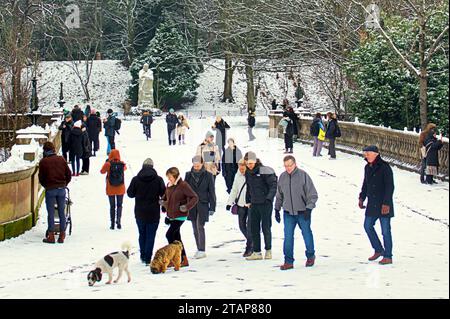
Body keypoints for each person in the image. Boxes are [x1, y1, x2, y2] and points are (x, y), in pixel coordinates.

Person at [275, 156, 318, 269]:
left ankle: (310, 255)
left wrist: (309, 208)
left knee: (306, 234)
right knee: (288, 237)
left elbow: (312, 194)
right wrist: (277, 209)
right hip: (288, 213)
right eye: (286, 166)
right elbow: (279, 195)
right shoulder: (282, 177)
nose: (288, 168)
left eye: (290, 165)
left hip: (303, 212)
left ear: (295, 164)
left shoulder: (303, 176)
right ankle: (288, 261)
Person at [358, 145, 395, 265]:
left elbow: (390, 187)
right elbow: (365, 184)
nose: (366, 155)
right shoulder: (367, 167)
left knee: (385, 231)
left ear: (376, 154)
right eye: (365, 153)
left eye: (368, 153)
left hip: (384, 204)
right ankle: (378, 249)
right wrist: (362, 197)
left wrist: (386, 203)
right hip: (372, 203)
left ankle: (388, 256)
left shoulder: (385, 167)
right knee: (367, 226)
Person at [127, 158, 166, 265]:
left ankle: (143, 255)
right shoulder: (158, 179)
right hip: (153, 212)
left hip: (140, 212)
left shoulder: (136, 179)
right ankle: (148, 257)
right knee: (151, 235)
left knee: (142, 234)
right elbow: (164, 194)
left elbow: (130, 194)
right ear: (152, 167)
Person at [160, 167, 199, 267]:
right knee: (177, 237)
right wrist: (163, 203)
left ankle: (175, 258)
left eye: (170, 177)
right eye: (168, 177)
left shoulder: (183, 185)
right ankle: (183, 259)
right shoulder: (169, 185)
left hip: (180, 215)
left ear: (175, 176)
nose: (169, 179)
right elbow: (167, 197)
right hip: (171, 215)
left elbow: (195, 197)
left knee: (169, 235)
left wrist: (186, 206)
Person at [244, 152, 278, 261]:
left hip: (265, 203)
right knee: (254, 228)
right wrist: (248, 200)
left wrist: (269, 199)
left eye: (251, 163)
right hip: (254, 203)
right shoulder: (248, 172)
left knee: (266, 227)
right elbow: (249, 187)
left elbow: (273, 185)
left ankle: (268, 250)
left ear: (256, 160)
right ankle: (257, 252)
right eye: (247, 163)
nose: (249, 165)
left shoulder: (265, 170)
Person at [38, 142, 72, 244]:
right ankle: (62, 235)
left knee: (51, 213)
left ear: (45, 150)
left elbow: (41, 178)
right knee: (62, 212)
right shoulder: (61, 159)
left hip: (50, 190)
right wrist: (64, 183)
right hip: (61, 189)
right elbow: (68, 174)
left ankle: (51, 236)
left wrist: (47, 186)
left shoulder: (43, 162)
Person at [185, 156, 216, 259]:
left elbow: (212, 192)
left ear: (202, 164)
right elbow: (184, 191)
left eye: (198, 165)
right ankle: (199, 249)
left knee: (200, 226)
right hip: (191, 204)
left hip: (203, 203)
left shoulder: (208, 175)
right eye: (195, 165)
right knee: (194, 227)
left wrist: (212, 207)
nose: (196, 167)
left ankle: (202, 250)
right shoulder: (188, 175)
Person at [226, 159, 252, 257]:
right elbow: (234, 190)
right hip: (241, 204)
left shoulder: (251, 175)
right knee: (241, 226)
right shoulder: (237, 176)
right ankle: (253, 241)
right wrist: (229, 202)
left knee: (249, 227)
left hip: (250, 205)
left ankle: (249, 247)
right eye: (239, 167)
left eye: (243, 167)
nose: (241, 169)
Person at [100, 149, 127, 230]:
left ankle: (112, 223)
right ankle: (118, 221)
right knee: (119, 205)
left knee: (112, 206)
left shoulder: (108, 164)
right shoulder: (122, 164)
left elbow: (102, 171)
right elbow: (125, 169)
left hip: (110, 188)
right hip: (120, 188)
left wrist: (107, 162)